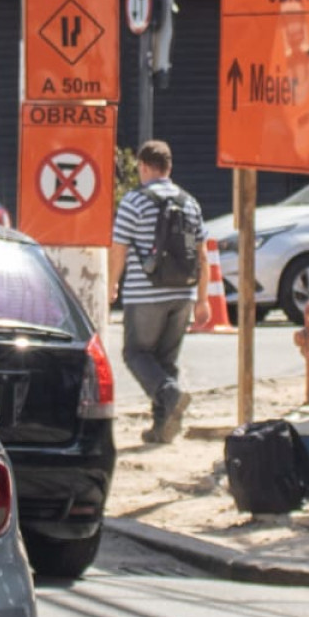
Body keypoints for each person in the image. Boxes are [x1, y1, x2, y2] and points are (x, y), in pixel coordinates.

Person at [109, 140, 214, 445]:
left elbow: (119, 248)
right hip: (183, 294)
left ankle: (172, 395)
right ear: (169, 168)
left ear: (143, 166)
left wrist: (113, 283)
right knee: (165, 363)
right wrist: (203, 299)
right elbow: (203, 255)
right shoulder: (190, 202)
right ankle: (162, 429)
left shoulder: (134, 201)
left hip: (146, 295)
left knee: (136, 353)